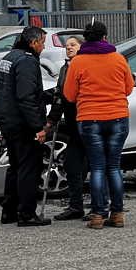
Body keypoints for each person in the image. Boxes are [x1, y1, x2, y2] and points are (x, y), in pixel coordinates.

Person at [62, 21, 135, 229]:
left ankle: (97, 215)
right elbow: (129, 88)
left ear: (86, 39)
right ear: (105, 37)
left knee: (97, 167)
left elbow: (69, 95)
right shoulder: (118, 59)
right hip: (118, 117)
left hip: (89, 118)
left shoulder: (78, 62)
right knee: (114, 167)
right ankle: (118, 213)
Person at [0, 26, 52, 227]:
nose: (43, 47)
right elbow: (25, 97)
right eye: (42, 42)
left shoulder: (9, 57)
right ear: (33, 42)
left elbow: (9, 90)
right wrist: (38, 127)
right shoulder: (27, 61)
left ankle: (9, 211)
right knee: (29, 167)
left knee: (15, 167)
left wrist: (46, 95)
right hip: (22, 123)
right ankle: (26, 213)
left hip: (8, 120)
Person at [47, 36, 86, 221]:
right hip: (72, 123)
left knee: (92, 164)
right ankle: (76, 205)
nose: (68, 47)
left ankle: (99, 207)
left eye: (73, 45)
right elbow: (59, 95)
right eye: (67, 45)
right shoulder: (65, 68)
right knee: (72, 165)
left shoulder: (84, 65)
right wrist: (52, 119)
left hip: (86, 121)